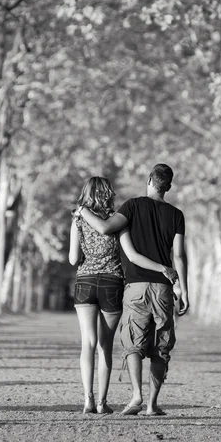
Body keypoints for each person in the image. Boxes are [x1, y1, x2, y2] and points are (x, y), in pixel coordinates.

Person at [80, 164, 189, 416]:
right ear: (169, 186)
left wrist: (83, 211)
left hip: (136, 287)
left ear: (150, 179)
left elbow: (106, 228)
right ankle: (152, 404)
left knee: (132, 343)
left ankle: (136, 395)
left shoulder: (132, 206)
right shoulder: (177, 215)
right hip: (164, 288)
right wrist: (183, 289)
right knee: (161, 346)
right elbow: (180, 256)